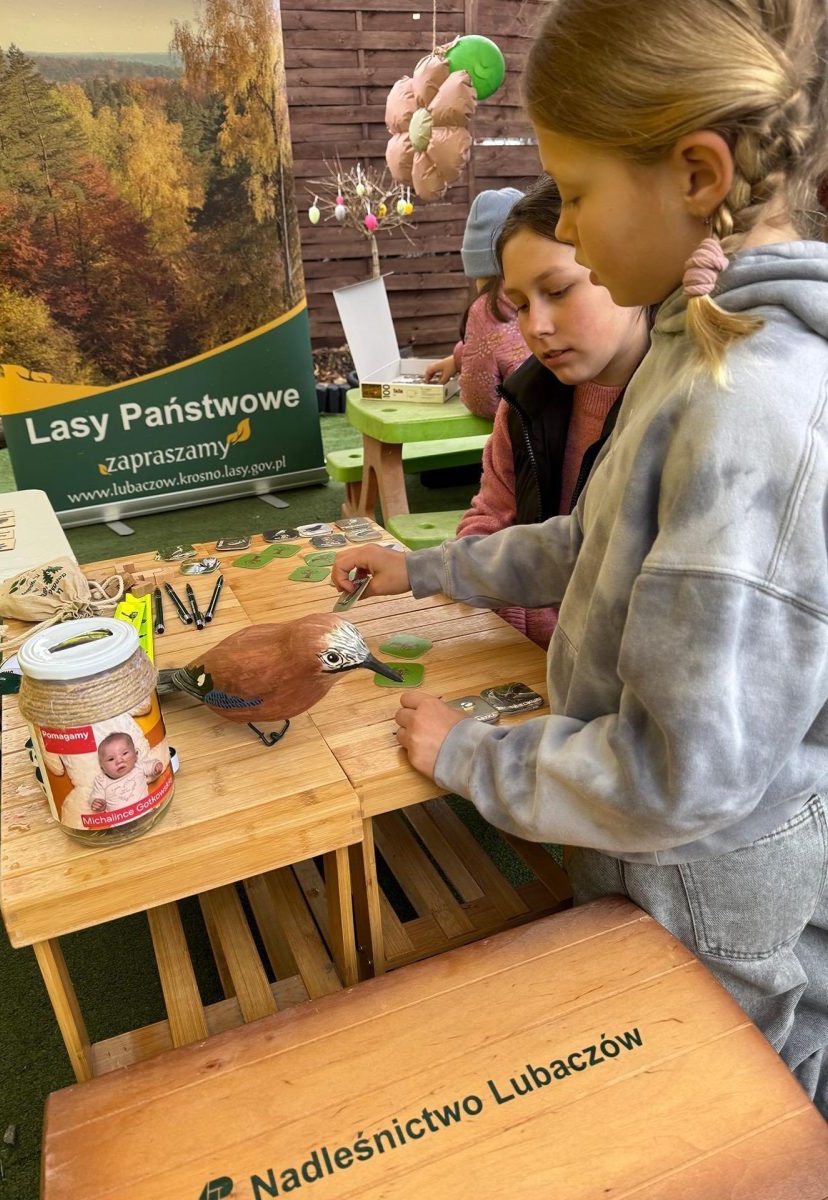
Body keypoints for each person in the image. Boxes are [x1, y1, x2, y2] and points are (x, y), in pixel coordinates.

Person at [333, 0, 828, 1114]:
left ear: (697, 174)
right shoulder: (685, 345)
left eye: (583, 191)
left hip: (700, 884)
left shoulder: (747, 405)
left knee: (731, 1113)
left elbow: (677, 780)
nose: (577, 233)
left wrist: (474, 757)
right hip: (659, 862)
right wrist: (424, 571)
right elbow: (586, 541)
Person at [457, 174, 648, 646]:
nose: (536, 326)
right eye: (518, 305)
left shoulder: (679, 411)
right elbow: (489, 515)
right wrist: (503, 598)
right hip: (532, 666)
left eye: (559, 291)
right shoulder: (525, 401)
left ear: (624, 268)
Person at [423, 187, 528, 419]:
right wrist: (457, 359)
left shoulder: (486, 310)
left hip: (520, 431)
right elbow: (503, 348)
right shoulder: (546, 293)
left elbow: (479, 397)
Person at [89, 732, 163, 814]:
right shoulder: (102, 781)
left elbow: (151, 765)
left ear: (135, 755)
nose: (119, 761)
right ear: (102, 767)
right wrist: (98, 803)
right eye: (111, 759)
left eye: (124, 753)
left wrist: (156, 766)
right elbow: (95, 796)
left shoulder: (138, 767)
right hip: (119, 820)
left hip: (144, 811)